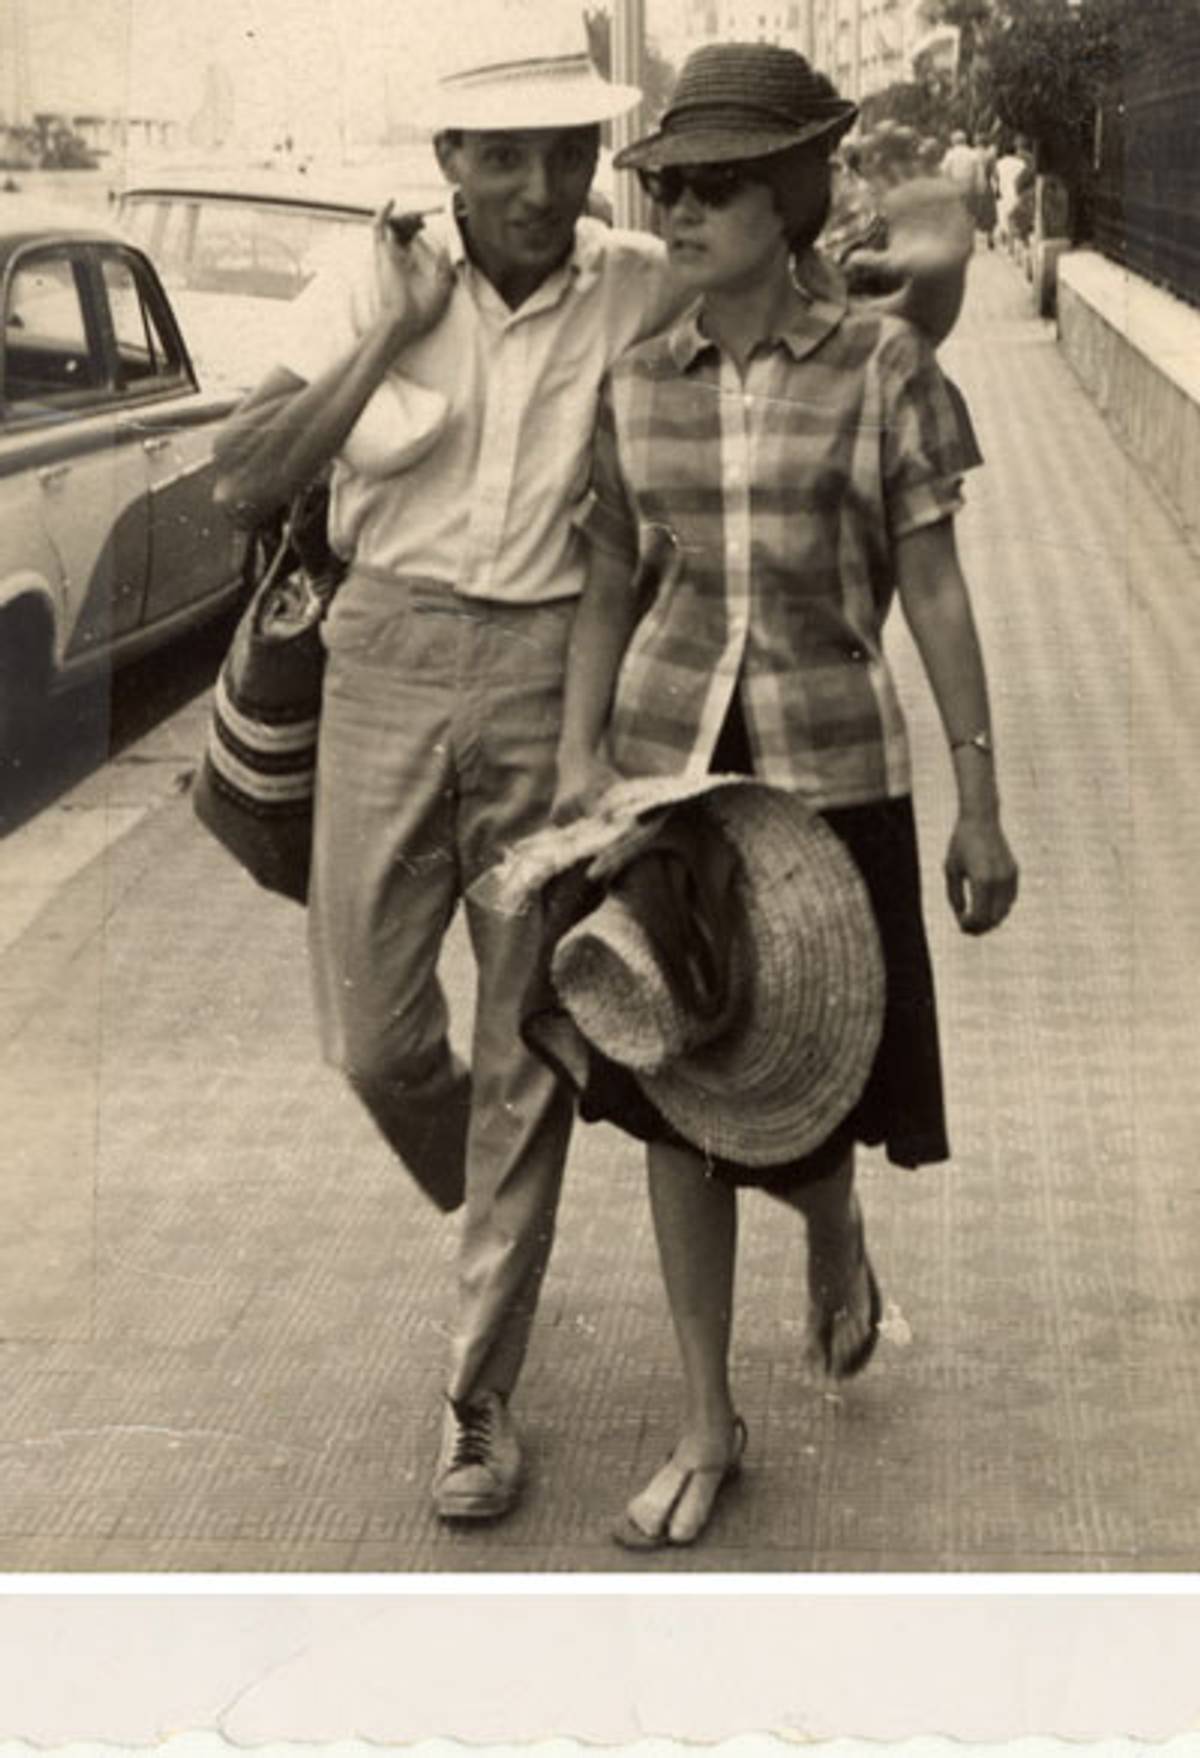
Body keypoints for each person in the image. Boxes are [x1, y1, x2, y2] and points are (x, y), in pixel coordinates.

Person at [211, 15, 974, 1529]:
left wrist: (926, 272)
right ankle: (529, 1173)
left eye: (569, 154)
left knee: (522, 1037)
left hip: (558, 670)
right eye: (507, 156)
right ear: (450, 164)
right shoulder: (380, 270)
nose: (545, 186)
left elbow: (829, 323)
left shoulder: (637, 275)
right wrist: (393, 327)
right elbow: (244, 473)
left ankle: (481, 1392)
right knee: (375, 1039)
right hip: (384, 657)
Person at [551, 40, 1019, 1549]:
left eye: (712, 186)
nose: (674, 209)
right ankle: (708, 1420)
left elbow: (935, 586)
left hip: (832, 774)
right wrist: (579, 762)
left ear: (791, 199)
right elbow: (612, 572)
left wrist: (978, 795)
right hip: (674, 783)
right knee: (679, 1090)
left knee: (811, 1087)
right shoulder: (637, 381)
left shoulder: (884, 367)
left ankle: (833, 1222)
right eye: (666, 185)